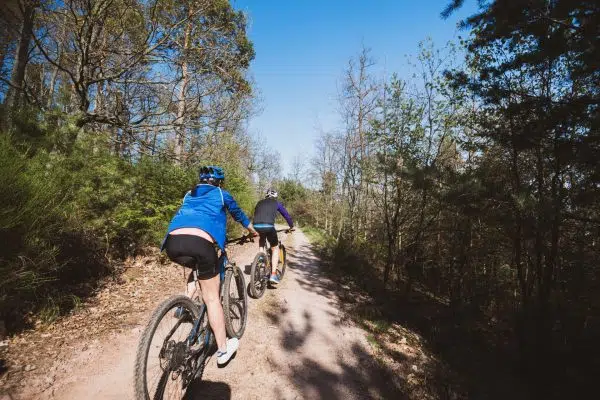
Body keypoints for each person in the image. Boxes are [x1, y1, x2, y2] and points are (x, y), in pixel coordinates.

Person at [161, 166, 257, 366]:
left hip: (172, 242)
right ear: (219, 183)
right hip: (202, 242)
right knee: (212, 298)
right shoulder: (222, 194)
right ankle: (223, 350)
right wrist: (252, 231)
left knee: (196, 267)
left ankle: (185, 304)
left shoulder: (189, 194)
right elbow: (239, 215)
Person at [252, 188, 294, 284]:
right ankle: (273, 275)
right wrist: (291, 226)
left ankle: (261, 255)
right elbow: (286, 215)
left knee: (262, 237)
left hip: (256, 225)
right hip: (269, 226)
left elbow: (256, 214)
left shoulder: (259, 202)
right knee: (275, 248)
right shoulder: (277, 203)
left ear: (266, 195)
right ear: (275, 196)